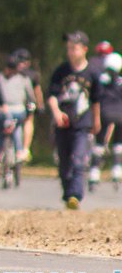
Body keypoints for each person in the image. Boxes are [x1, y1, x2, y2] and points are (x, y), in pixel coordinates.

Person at [48, 30, 101, 209]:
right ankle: (67, 193)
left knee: (78, 159)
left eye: (75, 48)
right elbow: (53, 95)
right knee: (64, 161)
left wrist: (96, 120)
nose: (71, 52)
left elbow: (95, 100)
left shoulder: (92, 73)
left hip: (82, 124)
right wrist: (56, 112)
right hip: (63, 123)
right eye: (69, 48)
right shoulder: (61, 71)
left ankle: (75, 195)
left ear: (84, 49)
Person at [0, 50, 37, 180]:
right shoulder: (23, 79)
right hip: (14, 111)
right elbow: (31, 97)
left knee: (1, 132)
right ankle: (18, 152)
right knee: (15, 129)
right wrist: (32, 105)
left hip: (6, 111)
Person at [91, 51, 122, 188]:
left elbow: (96, 96)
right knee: (118, 143)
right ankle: (117, 171)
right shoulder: (120, 81)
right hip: (120, 114)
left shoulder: (101, 79)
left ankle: (94, 172)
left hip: (104, 113)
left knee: (99, 143)